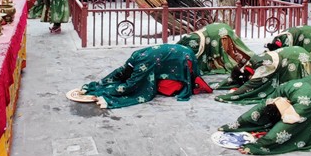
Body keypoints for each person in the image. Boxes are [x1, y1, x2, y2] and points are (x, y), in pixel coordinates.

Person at [76, 44, 212, 109]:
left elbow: (132, 85)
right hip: (181, 51)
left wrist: (105, 92)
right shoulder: (135, 57)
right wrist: (101, 83)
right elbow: (120, 72)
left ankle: (181, 83)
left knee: (164, 88)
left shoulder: (142, 62)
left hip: (184, 58)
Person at [216, 46, 311, 104]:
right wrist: (221, 84)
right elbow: (236, 74)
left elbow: (250, 85)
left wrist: (231, 95)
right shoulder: (251, 62)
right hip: (294, 51)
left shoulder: (261, 69)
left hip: (296, 59)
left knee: (292, 86)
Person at [176, 23, 253, 74]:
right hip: (212, 33)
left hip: (216, 33)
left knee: (228, 52)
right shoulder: (193, 41)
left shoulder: (189, 41)